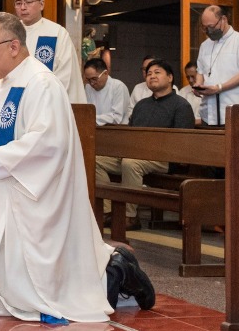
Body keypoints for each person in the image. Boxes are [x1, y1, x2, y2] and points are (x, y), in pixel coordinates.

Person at [0, 12, 155, 321]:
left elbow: (48, 142)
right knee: (6, 275)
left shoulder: (42, 83)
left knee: (44, 283)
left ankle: (117, 270)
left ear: (13, 46)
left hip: (32, 195)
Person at [97, 59, 194, 227]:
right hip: (135, 155)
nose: (152, 76)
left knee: (130, 164)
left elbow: (183, 143)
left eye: (157, 72)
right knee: (96, 160)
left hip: (164, 159)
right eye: (149, 74)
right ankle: (106, 211)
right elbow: (131, 133)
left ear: (170, 77)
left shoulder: (181, 105)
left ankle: (130, 216)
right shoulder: (141, 105)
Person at [12, 0, 86, 103]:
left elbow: (65, 75)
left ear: (41, 4)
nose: (23, 7)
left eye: (28, 2)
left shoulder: (56, 33)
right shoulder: (10, 33)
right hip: (16, 100)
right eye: (18, 3)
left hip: (47, 103)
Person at [193, 6, 239, 126]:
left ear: (223, 19)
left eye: (211, 27)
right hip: (207, 113)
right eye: (205, 28)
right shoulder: (205, 45)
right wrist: (198, 85)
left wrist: (219, 88)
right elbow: (200, 71)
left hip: (233, 112)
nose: (208, 31)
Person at [83, 58, 129, 126]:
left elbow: (117, 117)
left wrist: (91, 119)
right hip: (93, 129)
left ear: (105, 73)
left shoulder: (118, 86)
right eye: (88, 80)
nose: (92, 83)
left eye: (94, 79)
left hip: (117, 131)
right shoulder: (88, 87)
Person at [125, 56, 156, 121]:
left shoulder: (170, 88)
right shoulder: (138, 88)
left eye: (150, 68)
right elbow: (130, 111)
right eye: (144, 69)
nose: (147, 72)